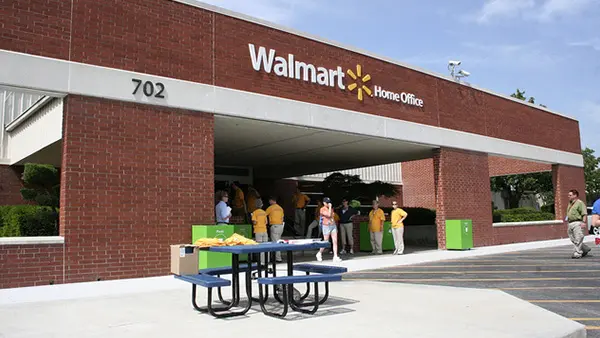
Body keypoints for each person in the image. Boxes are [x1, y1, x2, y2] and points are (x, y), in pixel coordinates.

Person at [566, 189, 590, 259]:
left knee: (578, 238)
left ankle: (578, 253)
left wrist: (583, 222)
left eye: (570, 195)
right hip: (570, 223)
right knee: (573, 239)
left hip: (577, 222)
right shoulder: (570, 203)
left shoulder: (580, 203)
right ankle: (585, 249)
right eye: (568, 195)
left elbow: (584, 213)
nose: (568, 196)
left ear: (575, 195)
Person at [316, 197, 342, 262]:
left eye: (329, 203)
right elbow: (328, 215)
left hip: (332, 225)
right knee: (326, 241)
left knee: (335, 241)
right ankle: (319, 253)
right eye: (327, 203)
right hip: (326, 226)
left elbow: (332, 216)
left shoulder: (331, 209)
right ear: (324, 203)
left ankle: (335, 256)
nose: (328, 204)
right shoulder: (322, 209)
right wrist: (330, 208)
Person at [266, 196, 285, 262]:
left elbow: (264, 215)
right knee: (278, 241)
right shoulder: (280, 208)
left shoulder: (270, 208)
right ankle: (275, 257)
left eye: (269, 201)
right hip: (281, 226)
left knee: (275, 243)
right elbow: (282, 217)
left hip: (275, 226)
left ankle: (278, 258)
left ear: (271, 200)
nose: (269, 202)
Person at [251, 199, 268, 264]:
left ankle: (261, 262)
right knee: (265, 247)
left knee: (259, 247)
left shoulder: (255, 212)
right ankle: (266, 261)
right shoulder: (264, 212)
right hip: (264, 230)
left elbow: (254, 222)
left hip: (258, 231)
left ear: (255, 205)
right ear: (262, 205)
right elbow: (266, 222)